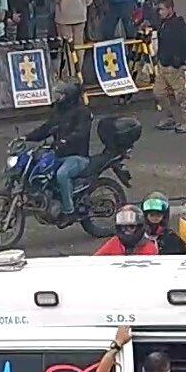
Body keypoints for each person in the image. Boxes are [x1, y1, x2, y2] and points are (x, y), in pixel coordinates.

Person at [24, 80, 92, 222]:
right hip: (59, 153)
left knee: (62, 174)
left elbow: (81, 132)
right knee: (41, 167)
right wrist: (27, 137)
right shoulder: (59, 111)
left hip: (77, 156)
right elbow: (47, 127)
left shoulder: (82, 112)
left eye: (60, 95)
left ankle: (69, 211)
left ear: (69, 96)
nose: (57, 98)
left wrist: (65, 140)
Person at [153, 0, 186, 133]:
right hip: (163, 64)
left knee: (180, 95)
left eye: (162, 9)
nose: (159, 12)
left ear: (170, 9)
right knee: (159, 93)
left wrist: (180, 60)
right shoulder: (163, 24)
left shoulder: (179, 26)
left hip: (174, 66)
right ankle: (169, 117)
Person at [95, 205, 159, 254]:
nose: (126, 231)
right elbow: (94, 261)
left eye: (131, 227)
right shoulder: (114, 242)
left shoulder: (150, 248)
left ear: (140, 228)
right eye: (122, 227)